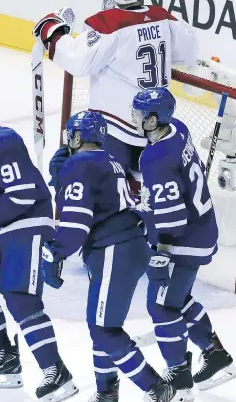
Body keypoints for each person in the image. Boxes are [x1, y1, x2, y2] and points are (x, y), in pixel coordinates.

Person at [42, 110, 185, 402]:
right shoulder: (111, 161)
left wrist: (55, 253)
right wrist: (62, 180)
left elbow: (77, 220)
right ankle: (106, 392)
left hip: (113, 249)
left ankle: (156, 388)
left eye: (71, 135)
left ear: (78, 137)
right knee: (104, 324)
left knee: (103, 328)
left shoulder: (79, 164)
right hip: (129, 246)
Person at [0, 89, 78, 402]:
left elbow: (22, 194)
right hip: (0, 226)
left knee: (19, 297)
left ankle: (56, 371)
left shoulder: (4, 140)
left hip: (27, 222)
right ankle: (6, 360)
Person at [33, 0, 198, 196]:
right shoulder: (163, 17)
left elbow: (78, 60)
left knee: (109, 190)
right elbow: (188, 51)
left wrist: (50, 31)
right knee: (147, 188)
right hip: (154, 125)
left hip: (116, 128)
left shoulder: (108, 23)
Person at [130, 87, 236, 399]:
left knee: (160, 305)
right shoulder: (178, 128)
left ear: (153, 120)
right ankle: (215, 355)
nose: (135, 118)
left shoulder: (155, 158)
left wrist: (161, 255)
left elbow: (172, 218)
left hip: (183, 241)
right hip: (202, 229)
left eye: (140, 115)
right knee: (176, 300)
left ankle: (179, 382)